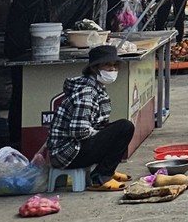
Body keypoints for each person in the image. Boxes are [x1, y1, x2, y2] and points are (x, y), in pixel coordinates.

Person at [45, 45, 135, 190]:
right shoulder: (86, 93)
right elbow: (79, 131)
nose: (112, 69)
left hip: (73, 148)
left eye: (115, 65)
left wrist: (104, 134)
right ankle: (101, 176)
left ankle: (106, 171)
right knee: (124, 127)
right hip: (67, 154)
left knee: (115, 131)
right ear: (94, 68)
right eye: (107, 65)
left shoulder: (97, 88)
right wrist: (103, 136)